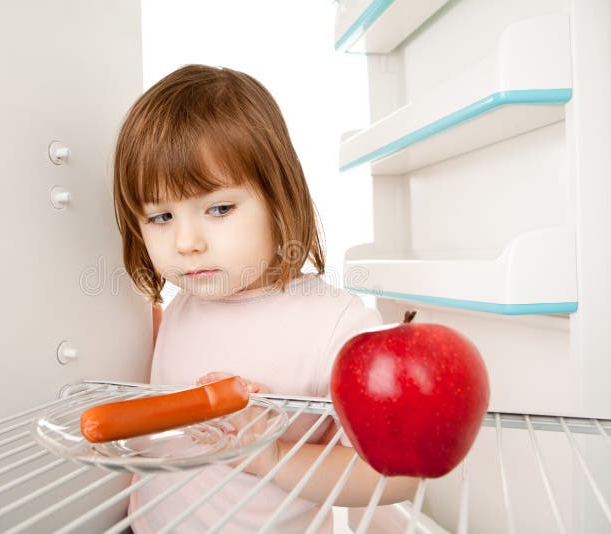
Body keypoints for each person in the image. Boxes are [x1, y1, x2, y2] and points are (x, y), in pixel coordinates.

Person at [112, 64, 419, 533]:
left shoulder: (334, 325)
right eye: (160, 216)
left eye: (218, 208)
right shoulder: (181, 304)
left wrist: (271, 454)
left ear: (278, 197)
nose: (186, 242)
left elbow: (396, 477)